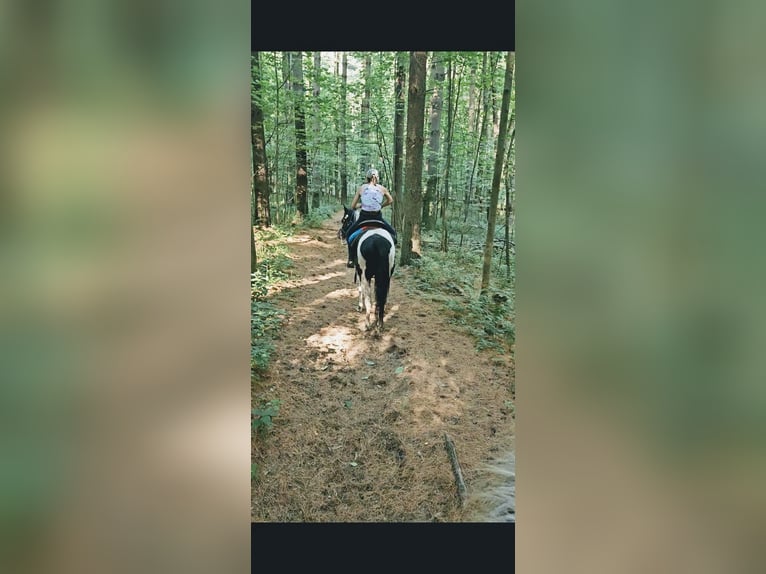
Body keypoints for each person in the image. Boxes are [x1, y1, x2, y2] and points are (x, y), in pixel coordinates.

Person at [345, 168, 397, 268]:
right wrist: (381, 205)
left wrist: (361, 205)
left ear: (367, 178)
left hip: (364, 218)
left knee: (349, 235)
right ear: (377, 178)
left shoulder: (361, 188)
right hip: (378, 218)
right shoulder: (382, 189)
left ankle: (351, 259)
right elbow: (390, 200)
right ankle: (391, 258)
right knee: (393, 234)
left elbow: (352, 206)